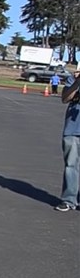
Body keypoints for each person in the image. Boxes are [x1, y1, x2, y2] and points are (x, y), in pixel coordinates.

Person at [55, 70, 80, 212]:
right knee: (71, 166)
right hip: (73, 129)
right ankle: (69, 200)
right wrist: (77, 83)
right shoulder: (74, 79)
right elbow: (65, 98)